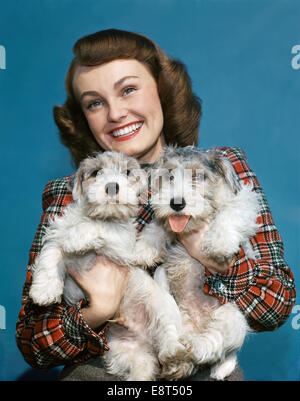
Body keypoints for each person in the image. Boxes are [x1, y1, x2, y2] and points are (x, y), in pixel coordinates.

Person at [16, 29, 296, 381]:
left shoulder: (221, 167)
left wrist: (216, 260)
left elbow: (275, 305)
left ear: (162, 92)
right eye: (94, 102)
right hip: (106, 371)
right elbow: (32, 344)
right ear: (84, 116)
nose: (115, 113)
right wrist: (96, 310)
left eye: (128, 89)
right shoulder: (70, 192)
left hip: (203, 366)